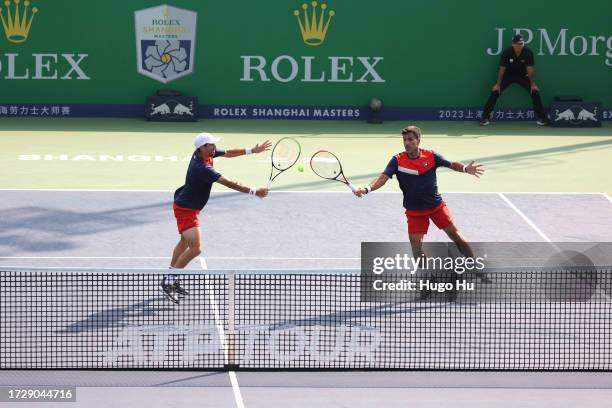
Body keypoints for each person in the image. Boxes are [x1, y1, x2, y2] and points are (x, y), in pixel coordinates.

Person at [355, 126, 486, 284]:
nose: (407, 143)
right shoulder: (397, 160)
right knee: (416, 249)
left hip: (436, 206)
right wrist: (367, 188)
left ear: (418, 140)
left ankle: (475, 267)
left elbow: (451, 164)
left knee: (456, 236)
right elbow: (383, 177)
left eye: (410, 139)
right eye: (405, 140)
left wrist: (465, 168)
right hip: (414, 211)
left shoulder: (431, 155)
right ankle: (428, 277)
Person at [161, 132, 271, 303]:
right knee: (196, 248)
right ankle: (170, 281)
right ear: (203, 147)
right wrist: (254, 192)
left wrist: (252, 151)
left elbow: (228, 153)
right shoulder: (202, 168)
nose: (214, 147)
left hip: (188, 205)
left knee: (184, 243)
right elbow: (228, 182)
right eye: (211, 144)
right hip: (186, 210)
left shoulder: (205, 152)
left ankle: (170, 276)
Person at [480, 34, 549, 126]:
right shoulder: (507, 52)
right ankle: (485, 117)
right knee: (495, 91)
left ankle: (543, 118)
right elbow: (502, 69)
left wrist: (532, 84)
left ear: (523, 44)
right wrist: (498, 84)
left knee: (534, 91)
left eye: (521, 44)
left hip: (523, 76)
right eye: (517, 44)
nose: (519, 46)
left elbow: (530, 70)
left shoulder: (528, 52)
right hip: (507, 75)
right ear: (513, 44)